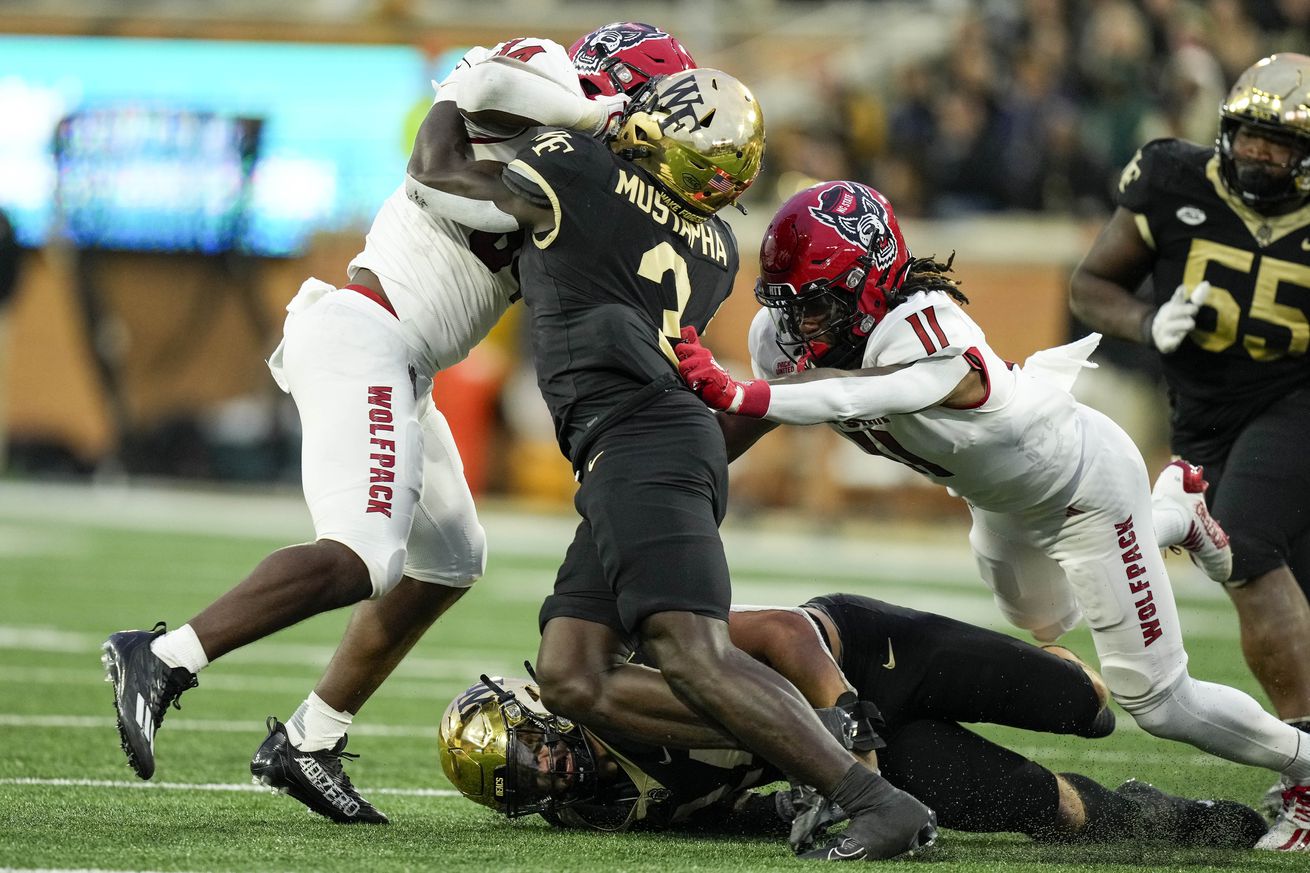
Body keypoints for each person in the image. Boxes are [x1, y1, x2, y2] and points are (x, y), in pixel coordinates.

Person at [101, 24, 694, 824]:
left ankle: (310, 738)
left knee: (451, 556)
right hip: (372, 335)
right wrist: (601, 116)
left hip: (407, 362)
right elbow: (478, 90)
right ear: (626, 85)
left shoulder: (587, 177)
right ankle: (163, 656)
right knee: (364, 555)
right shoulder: (555, 86)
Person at [674, 179, 1310, 852]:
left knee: (1158, 700)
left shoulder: (926, 325)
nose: (798, 327)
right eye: (787, 305)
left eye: (817, 306)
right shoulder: (788, 342)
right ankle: (1173, 513)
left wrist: (745, 389)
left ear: (869, 283)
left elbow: (868, 389)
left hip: (1085, 488)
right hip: (999, 503)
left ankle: (1303, 764)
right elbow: (755, 418)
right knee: (1042, 619)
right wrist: (660, 476)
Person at [413, 69, 939, 862]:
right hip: (648, 439)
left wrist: (461, 87)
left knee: (694, 656)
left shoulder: (582, 171)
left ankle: (870, 797)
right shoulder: (716, 245)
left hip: (637, 440)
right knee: (571, 674)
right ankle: (797, 739)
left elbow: (437, 168)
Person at [437, 595, 1267, 850]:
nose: (546, 770)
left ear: (540, 705)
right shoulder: (621, 807)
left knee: (1089, 707)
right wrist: (811, 801)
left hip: (862, 658)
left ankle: (1049, 647)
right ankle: (1173, 817)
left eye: (530, 748)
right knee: (1048, 811)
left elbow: (784, 633)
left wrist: (842, 716)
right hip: (858, 756)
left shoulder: (609, 671)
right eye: (520, 781)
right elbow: (749, 813)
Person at [1068, 52, 1310, 835]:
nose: (1258, 155)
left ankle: (1306, 772)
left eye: (1278, 143)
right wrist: (1149, 321)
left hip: (1296, 395)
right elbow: (1091, 285)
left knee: (1242, 545)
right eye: (1248, 136)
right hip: (1205, 413)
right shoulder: (1175, 179)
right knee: (1293, 575)